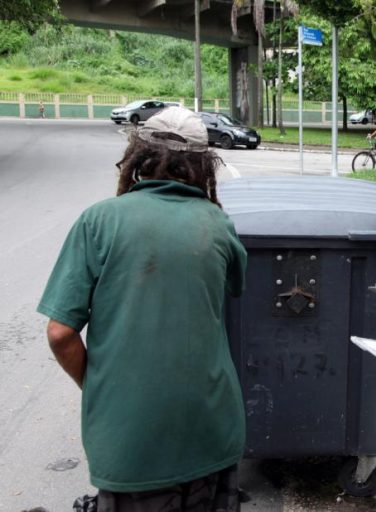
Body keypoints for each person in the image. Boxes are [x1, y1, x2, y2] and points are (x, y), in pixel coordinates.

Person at [37, 107, 248, 511]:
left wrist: (98, 385)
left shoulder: (99, 220)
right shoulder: (217, 224)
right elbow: (233, 288)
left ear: (138, 156)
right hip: (212, 430)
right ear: (204, 165)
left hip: (131, 443)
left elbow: (60, 333)